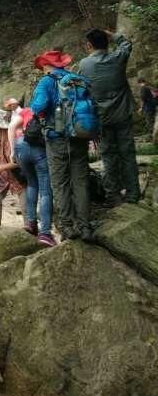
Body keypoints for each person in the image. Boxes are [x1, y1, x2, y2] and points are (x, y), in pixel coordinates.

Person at [31, 49, 92, 241]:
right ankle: (85, 227)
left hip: (56, 138)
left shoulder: (47, 81)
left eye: (42, 66)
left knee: (60, 183)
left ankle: (67, 227)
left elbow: (38, 107)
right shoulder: (76, 79)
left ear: (46, 65)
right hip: (80, 136)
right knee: (81, 181)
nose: (42, 69)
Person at [78, 30, 141, 205]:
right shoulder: (118, 58)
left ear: (89, 45)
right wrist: (112, 35)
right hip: (123, 114)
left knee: (108, 156)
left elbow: (81, 90)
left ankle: (113, 195)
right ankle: (133, 193)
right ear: (107, 43)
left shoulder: (84, 64)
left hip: (101, 118)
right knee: (127, 154)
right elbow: (127, 44)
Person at [10, 108, 56, 246]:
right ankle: (45, 233)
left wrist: (12, 152)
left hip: (21, 145)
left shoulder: (27, 111)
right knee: (45, 192)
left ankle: (31, 224)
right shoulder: (52, 109)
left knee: (31, 184)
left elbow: (12, 126)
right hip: (38, 148)